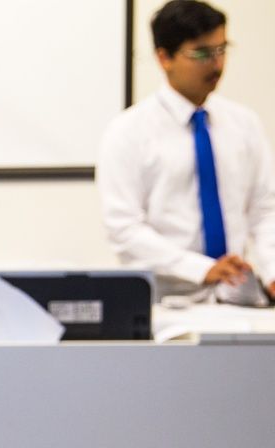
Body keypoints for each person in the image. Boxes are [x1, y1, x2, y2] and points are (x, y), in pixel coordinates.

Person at [97, 0, 275, 298]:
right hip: (168, 302)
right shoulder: (128, 132)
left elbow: (264, 210)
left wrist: (272, 272)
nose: (217, 64)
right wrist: (200, 268)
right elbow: (123, 229)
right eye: (202, 53)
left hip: (238, 298)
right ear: (164, 57)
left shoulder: (244, 124)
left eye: (222, 50)